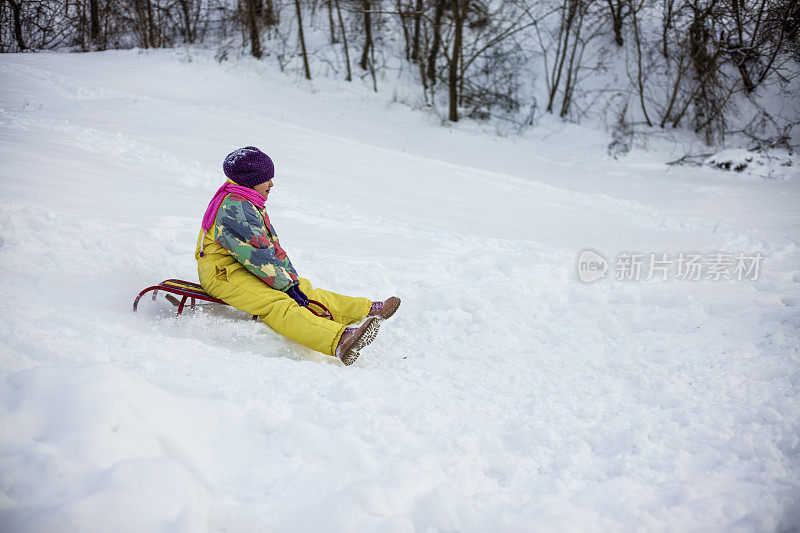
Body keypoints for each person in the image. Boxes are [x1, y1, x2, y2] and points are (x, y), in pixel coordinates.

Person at [195, 146, 400, 365]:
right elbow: (258, 257)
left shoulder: (248, 200)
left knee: (302, 288)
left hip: (241, 267)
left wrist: (291, 280)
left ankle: (364, 310)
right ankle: (340, 340)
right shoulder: (236, 208)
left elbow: (271, 247)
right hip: (223, 275)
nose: (271, 184)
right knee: (277, 303)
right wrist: (285, 287)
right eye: (266, 179)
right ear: (251, 180)